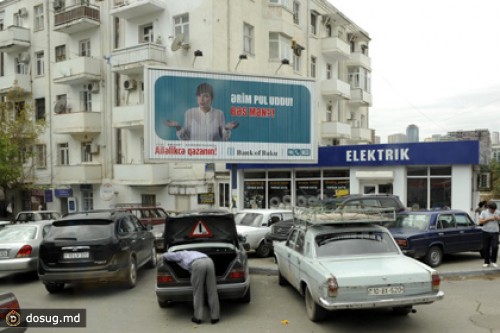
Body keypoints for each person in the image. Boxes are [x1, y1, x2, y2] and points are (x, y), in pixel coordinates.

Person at [165, 82, 238, 141]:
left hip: (212, 155)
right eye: (199, 95)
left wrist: (226, 128)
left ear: (212, 98)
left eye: (205, 96)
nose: (201, 99)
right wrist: (178, 127)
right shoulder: (189, 113)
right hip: (195, 155)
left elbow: (223, 138)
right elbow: (185, 139)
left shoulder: (219, 113)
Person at [163, 250, 220, 324]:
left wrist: (162, 256)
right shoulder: (196, 252)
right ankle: (215, 317)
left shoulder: (181, 254)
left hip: (198, 264)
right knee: (212, 290)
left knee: (198, 292)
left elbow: (169, 256)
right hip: (209, 261)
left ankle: (198, 317)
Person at [478, 201, 500, 268]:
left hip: (495, 232)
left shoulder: (498, 212)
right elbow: (480, 221)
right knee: (486, 247)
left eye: (494, 209)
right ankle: (486, 262)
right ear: (489, 208)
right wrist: (488, 219)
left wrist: (498, 218)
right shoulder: (484, 212)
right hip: (485, 231)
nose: (493, 211)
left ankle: (493, 261)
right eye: (492, 209)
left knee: (495, 246)